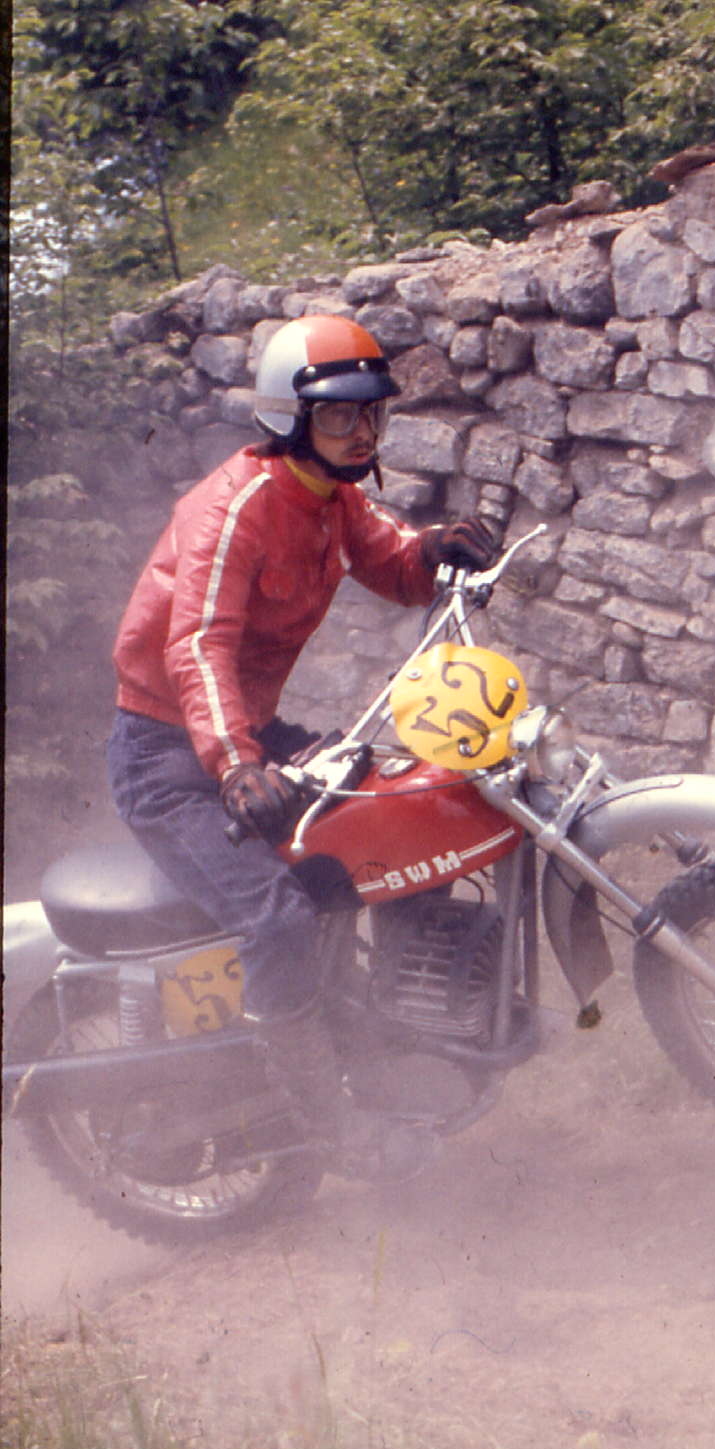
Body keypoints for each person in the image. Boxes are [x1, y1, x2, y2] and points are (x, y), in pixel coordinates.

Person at [107, 313, 496, 1165]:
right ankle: (328, 1125)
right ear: (290, 417)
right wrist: (235, 764)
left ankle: (383, 1040)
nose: (363, 432)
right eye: (341, 414)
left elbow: (390, 562)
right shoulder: (235, 509)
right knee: (276, 919)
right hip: (168, 756)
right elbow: (196, 644)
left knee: (397, 814)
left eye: (372, 413)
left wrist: (435, 550)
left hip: (244, 732)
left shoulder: (332, 497)